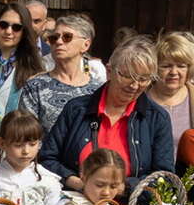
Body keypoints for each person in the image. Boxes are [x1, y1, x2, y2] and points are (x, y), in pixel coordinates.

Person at [40, 36, 175, 190]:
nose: (134, 85)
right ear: (109, 71)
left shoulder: (157, 118)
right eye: (127, 76)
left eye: (143, 79)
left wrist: (122, 189)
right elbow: (46, 158)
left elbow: (165, 177)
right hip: (76, 203)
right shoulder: (77, 109)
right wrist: (76, 183)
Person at [17, 14, 105, 135]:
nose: (58, 42)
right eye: (54, 38)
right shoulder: (35, 86)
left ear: (85, 45)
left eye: (67, 37)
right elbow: (26, 136)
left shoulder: (98, 90)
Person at [0, 3, 47, 118]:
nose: (8, 31)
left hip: (16, 133)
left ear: (24, 31)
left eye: (16, 27)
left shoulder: (37, 66)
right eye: (3, 25)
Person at [0, 110, 61, 205]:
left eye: (32, 144)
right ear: (2, 143)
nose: (26, 151)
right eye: (18, 145)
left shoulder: (46, 180)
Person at [149, 32, 194, 162]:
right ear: (156, 68)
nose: (174, 72)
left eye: (181, 66)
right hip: (149, 180)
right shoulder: (140, 101)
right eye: (166, 66)